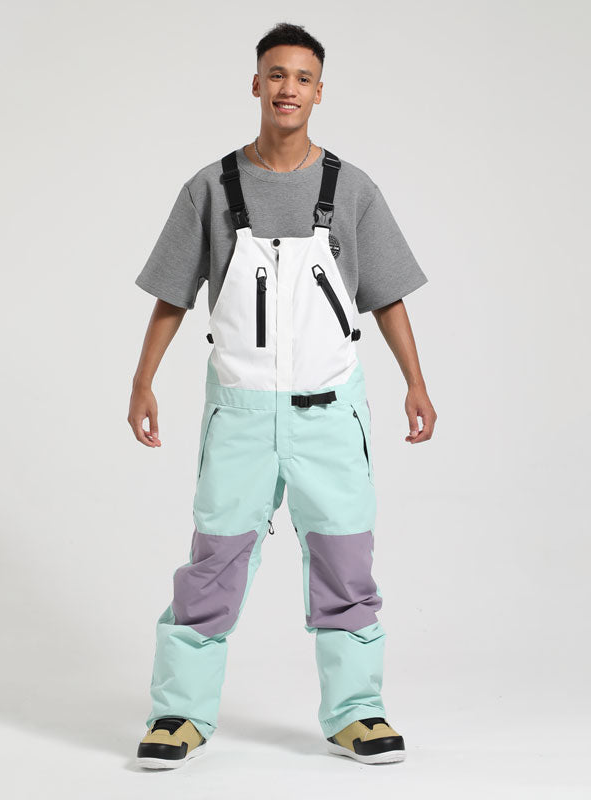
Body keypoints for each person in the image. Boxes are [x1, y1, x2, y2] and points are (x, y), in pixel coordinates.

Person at [128, 21, 436, 769]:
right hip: (238, 416)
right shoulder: (210, 188)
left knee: (345, 563)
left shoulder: (351, 189)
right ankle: (179, 714)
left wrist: (415, 382)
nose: (287, 88)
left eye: (302, 78)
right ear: (256, 84)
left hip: (331, 416)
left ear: (319, 92)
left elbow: (386, 296)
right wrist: (142, 381)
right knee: (212, 564)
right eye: (275, 74)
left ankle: (357, 713)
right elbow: (173, 295)